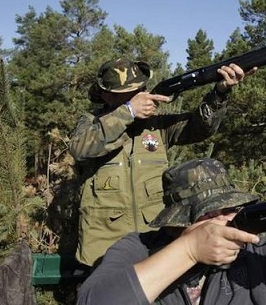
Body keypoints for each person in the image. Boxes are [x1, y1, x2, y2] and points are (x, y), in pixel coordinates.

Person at [77, 158, 266, 304]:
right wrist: (188, 250)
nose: (226, 220)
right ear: (176, 222)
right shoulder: (138, 249)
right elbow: (96, 301)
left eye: (230, 209)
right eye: (210, 214)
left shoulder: (258, 251)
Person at [70, 57, 254, 267]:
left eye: (137, 91)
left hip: (156, 239)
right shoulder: (91, 123)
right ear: (105, 95)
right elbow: (80, 149)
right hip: (103, 245)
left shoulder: (156, 126)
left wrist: (220, 93)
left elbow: (199, 127)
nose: (135, 97)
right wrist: (127, 112)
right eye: (125, 96)